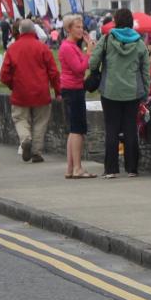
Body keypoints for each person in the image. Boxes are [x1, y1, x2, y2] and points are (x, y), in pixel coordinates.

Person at [89, 8, 148, 179]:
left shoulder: (107, 39)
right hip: (133, 91)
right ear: (131, 22)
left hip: (110, 90)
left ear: (115, 21)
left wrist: (98, 69)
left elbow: (93, 61)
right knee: (130, 129)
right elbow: (145, 71)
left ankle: (111, 169)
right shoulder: (139, 43)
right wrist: (144, 92)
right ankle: (132, 168)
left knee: (111, 129)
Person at [0, 19, 61, 163]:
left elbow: (4, 75)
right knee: (41, 121)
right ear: (34, 31)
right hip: (41, 92)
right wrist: (58, 91)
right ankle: (36, 152)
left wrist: (12, 85)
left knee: (20, 118)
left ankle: (25, 139)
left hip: (20, 91)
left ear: (20, 31)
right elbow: (53, 72)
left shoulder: (12, 48)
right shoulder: (42, 48)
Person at [58, 13, 97, 179]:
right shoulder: (68, 47)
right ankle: (77, 168)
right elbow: (79, 68)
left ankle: (71, 167)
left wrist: (87, 46)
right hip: (73, 89)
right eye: (77, 27)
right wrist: (89, 51)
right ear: (69, 29)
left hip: (73, 88)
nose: (81, 30)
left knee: (74, 130)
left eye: (82, 27)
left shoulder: (73, 46)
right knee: (77, 130)